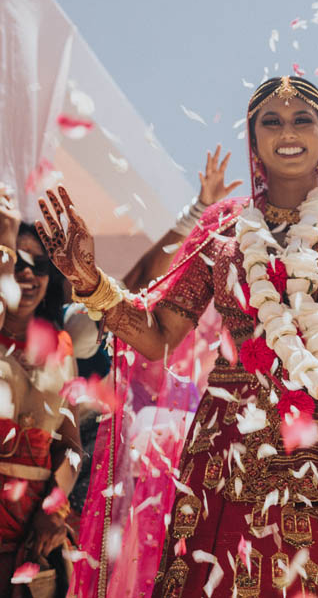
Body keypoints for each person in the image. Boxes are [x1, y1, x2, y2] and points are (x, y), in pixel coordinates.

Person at [36, 74, 318, 597]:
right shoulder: (224, 238)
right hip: (229, 464)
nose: (287, 131)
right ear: (254, 140)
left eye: (301, 119)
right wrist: (90, 281)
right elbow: (157, 337)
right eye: (271, 120)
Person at [66, 145, 240, 518]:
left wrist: (198, 210)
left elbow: (145, 276)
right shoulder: (69, 324)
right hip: (72, 457)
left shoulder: (104, 309)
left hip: (132, 462)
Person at [0, 187, 82, 597]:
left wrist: (54, 510)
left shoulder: (61, 348)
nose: (28, 274)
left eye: (41, 264)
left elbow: (71, 449)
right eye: (18, 262)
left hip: (31, 537)